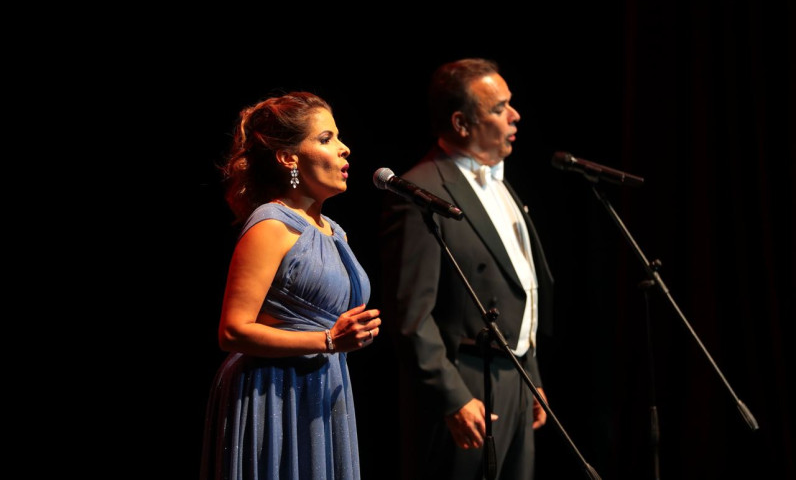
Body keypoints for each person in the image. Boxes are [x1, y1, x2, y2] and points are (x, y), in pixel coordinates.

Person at [378, 58, 553, 479]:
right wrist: (452, 396)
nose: (515, 115)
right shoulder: (420, 192)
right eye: (499, 108)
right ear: (460, 123)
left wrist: (531, 374)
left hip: (515, 377)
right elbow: (410, 316)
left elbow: (518, 287)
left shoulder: (502, 185)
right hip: (465, 383)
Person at [200, 91, 381, 480]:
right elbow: (232, 330)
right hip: (272, 392)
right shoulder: (272, 224)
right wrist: (329, 341)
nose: (345, 149)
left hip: (323, 388)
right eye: (326, 138)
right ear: (288, 158)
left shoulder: (335, 232)